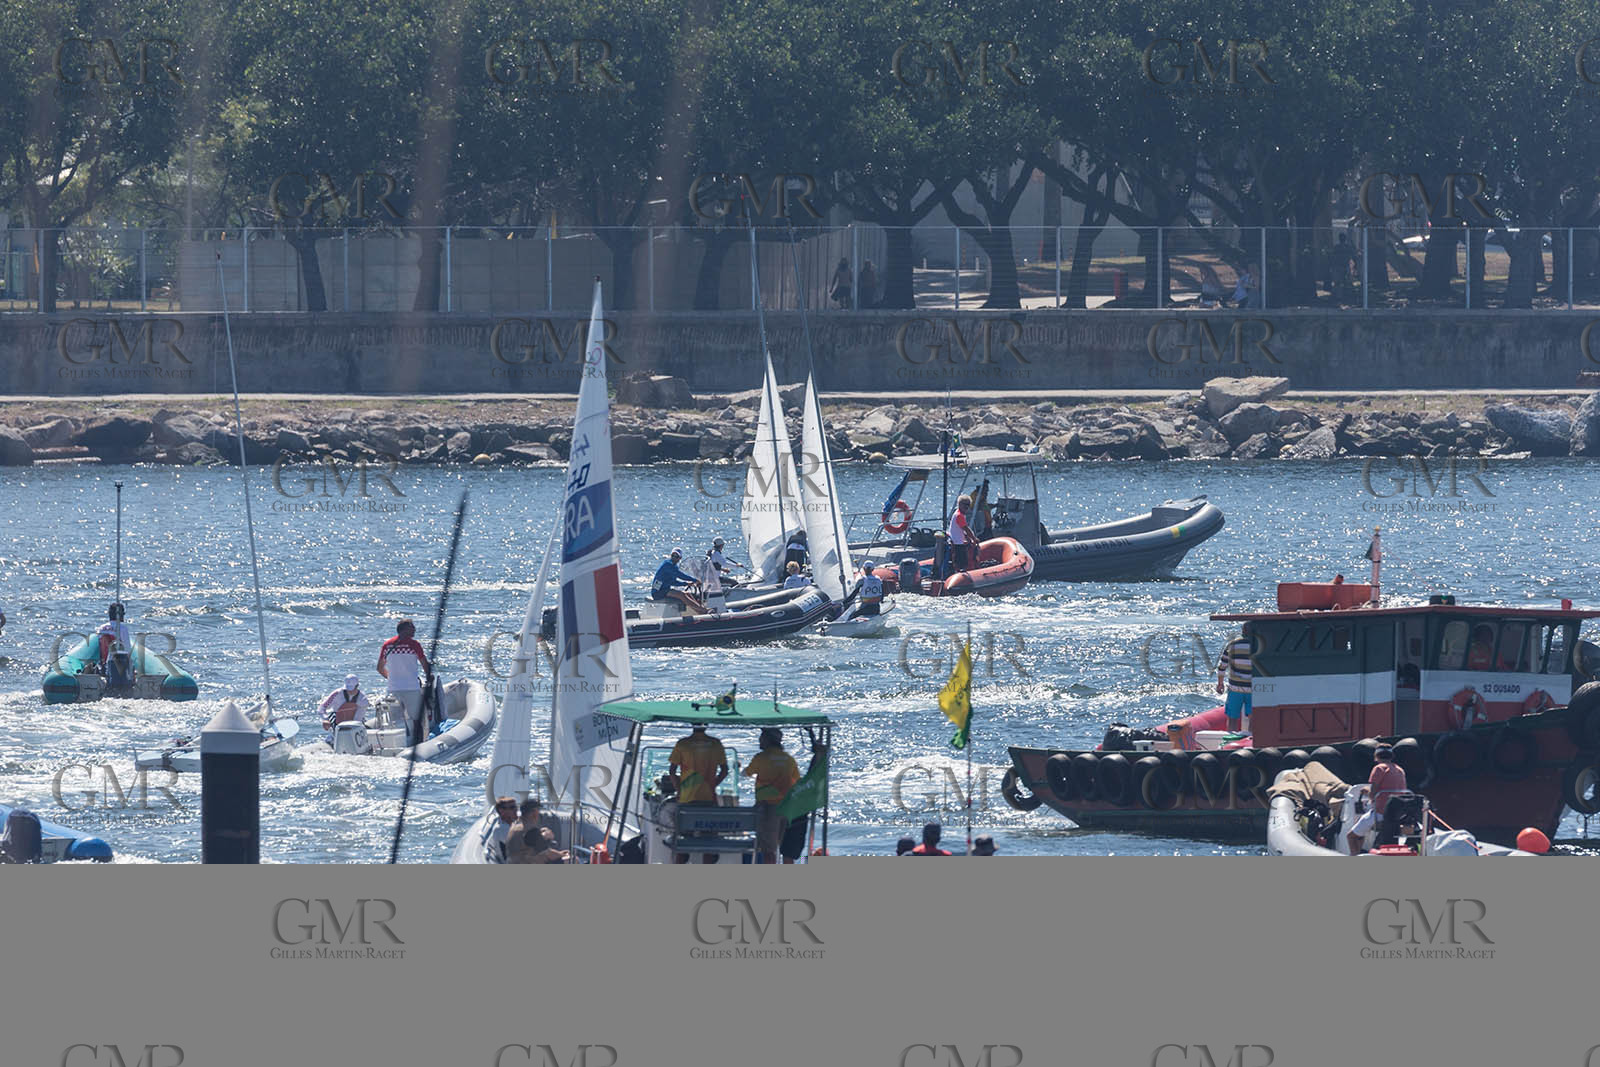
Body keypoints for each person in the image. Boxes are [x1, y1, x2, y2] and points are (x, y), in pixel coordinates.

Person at [669, 724, 729, 864]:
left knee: (683, 842)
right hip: (708, 799)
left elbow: (672, 771)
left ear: (692, 726)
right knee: (708, 842)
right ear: (706, 726)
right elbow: (724, 771)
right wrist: (712, 785)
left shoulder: (683, 744)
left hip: (687, 800)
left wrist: (679, 790)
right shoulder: (715, 744)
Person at [743, 728, 801, 864]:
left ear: (768, 740)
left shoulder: (761, 758)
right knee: (783, 847)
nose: (759, 740)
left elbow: (746, 773)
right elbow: (797, 781)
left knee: (768, 849)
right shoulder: (789, 759)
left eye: (762, 737)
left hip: (768, 808)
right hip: (787, 808)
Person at [1347, 744, 1409, 854]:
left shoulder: (1379, 768)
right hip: (1398, 814)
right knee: (1362, 830)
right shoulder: (1400, 770)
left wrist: (1366, 791)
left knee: (1351, 836)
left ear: (1376, 755)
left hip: (1380, 813)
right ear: (1391, 756)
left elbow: (1372, 795)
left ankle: (1354, 856)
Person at [377, 619, 431, 744]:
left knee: (396, 721)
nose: (415, 630)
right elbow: (424, 664)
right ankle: (419, 744)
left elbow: (379, 668)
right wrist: (429, 677)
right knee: (417, 719)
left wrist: (390, 678)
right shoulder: (414, 645)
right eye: (412, 627)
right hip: (411, 689)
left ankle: (400, 745)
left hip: (393, 689)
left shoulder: (387, 645)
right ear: (404, 629)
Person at [778, 740, 827, 864]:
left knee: (788, 853)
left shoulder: (803, 785)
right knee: (788, 852)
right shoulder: (802, 785)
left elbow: (813, 772)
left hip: (796, 814)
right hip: (794, 813)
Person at [1215, 621, 1253, 732]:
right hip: (1253, 689)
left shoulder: (1232, 645)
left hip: (1235, 688)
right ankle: (1249, 740)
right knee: (1253, 718)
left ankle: (1230, 740)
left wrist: (1220, 684)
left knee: (1232, 719)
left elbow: (1222, 667)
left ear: (1242, 631)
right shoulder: (1258, 645)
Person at [506, 799, 568, 864]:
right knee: (572, 860)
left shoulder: (515, 825)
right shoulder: (530, 829)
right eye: (538, 810)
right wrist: (562, 854)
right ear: (534, 813)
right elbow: (547, 852)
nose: (538, 814)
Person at [652, 548, 706, 614]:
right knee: (681, 595)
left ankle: (699, 611)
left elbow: (673, 582)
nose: (674, 558)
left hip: (665, 589)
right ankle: (703, 610)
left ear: (680, 558)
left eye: (676, 556)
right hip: (657, 592)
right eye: (673, 555)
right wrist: (695, 580)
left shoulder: (674, 567)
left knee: (687, 594)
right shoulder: (667, 564)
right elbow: (681, 575)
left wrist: (686, 584)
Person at [96, 602, 133, 687]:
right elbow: (127, 649)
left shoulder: (101, 628)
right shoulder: (122, 628)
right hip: (119, 664)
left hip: (104, 663)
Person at [948, 494, 976, 572]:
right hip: (957, 543)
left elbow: (962, 529)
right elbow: (966, 529)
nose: (967, 507)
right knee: (962, 562)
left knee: (961, 560)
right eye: (965, 504)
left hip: (957, 541)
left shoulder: (958, 514)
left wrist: (967, 538)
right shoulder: (959, 515)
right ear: (960, 504)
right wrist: (974, 538)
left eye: (968, 505)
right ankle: (960, 574)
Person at [489, 796, 518, 861]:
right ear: (502, 811)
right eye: (512, 807)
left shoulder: (510, 825)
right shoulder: (502, 830)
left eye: (516, 807)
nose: (516, 810)